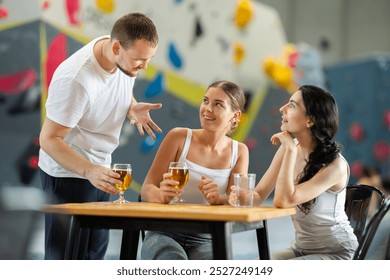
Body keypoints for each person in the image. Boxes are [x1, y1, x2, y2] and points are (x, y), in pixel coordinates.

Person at [38, 13, 162, 260]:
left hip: (100, 170)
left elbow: (114, 88)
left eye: (149, 59)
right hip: (68, 174)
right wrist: (89, 171)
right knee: (65, 259)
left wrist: (131, 106)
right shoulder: (76, 79)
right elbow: (49, 139)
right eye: (140, 60)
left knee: (94, 255)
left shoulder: (120, 54)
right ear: (116, 48)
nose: (144, 67)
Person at [230, 85, 359, 260]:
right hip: (301, 249)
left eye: (291, 105)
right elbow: (259, 194)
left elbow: (284, 200)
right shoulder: (289, 149)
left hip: (337, 253)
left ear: (310, 120)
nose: (281, 109)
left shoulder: (335, 165)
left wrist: (290, 148)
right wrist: (236, 196)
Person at [140, 80, 249, 260]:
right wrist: (162, 196)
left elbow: (236, 201)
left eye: (218, 104)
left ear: (235, 116)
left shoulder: (239, 152)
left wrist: (218, 199)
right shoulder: (179, 137)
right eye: (205, 100)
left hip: (206, 238)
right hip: (164, 232)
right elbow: (147, 188)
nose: (207, 108)